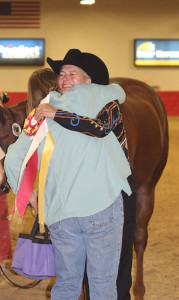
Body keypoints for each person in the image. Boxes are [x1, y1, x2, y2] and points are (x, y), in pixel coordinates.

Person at [4, 49, 134, 300]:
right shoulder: (107, 97)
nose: (64, 78)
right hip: (102, 206)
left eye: (72, 73)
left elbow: (14, 157)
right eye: (62, 73)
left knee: (66, 284)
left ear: (89, 80)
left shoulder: (42, 110)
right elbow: (103, 127)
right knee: (103, 284)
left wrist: (27, 193)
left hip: (60, 211)